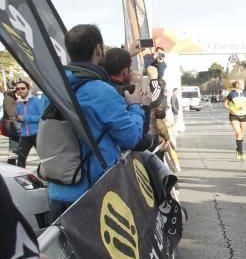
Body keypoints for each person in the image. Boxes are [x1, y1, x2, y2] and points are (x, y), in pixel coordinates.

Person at [47, 25, 149, 219]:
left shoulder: (53, 87)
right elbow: (132, 138)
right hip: (94, 193)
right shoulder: (100, 91)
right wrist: (136, 106)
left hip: (58, 189)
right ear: (98, 49)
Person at [14, 82, 46, 168]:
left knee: (45, 159)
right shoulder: (18, 103)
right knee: (20, 160)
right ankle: (20, 178)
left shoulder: (36, 101)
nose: (20, 90)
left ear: (28, 89)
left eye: (23, 88)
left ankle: (47, 178)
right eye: (18, 89)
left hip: (37, 134)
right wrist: (18, 119)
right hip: (24, 135)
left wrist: (24, 118)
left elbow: (42, 117)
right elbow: (19, 118)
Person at [224, 79, 246, 160]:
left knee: (241, 134)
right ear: (237, 85)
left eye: (244, 84)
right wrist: (231, 109)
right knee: (238, 133)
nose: (244, 85)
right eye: (242, 84)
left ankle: (237, 149)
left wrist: (245, 106)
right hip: (234, 116)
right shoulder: (231, 94)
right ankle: (241, 153)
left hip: (244, 115)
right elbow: (225, 104)